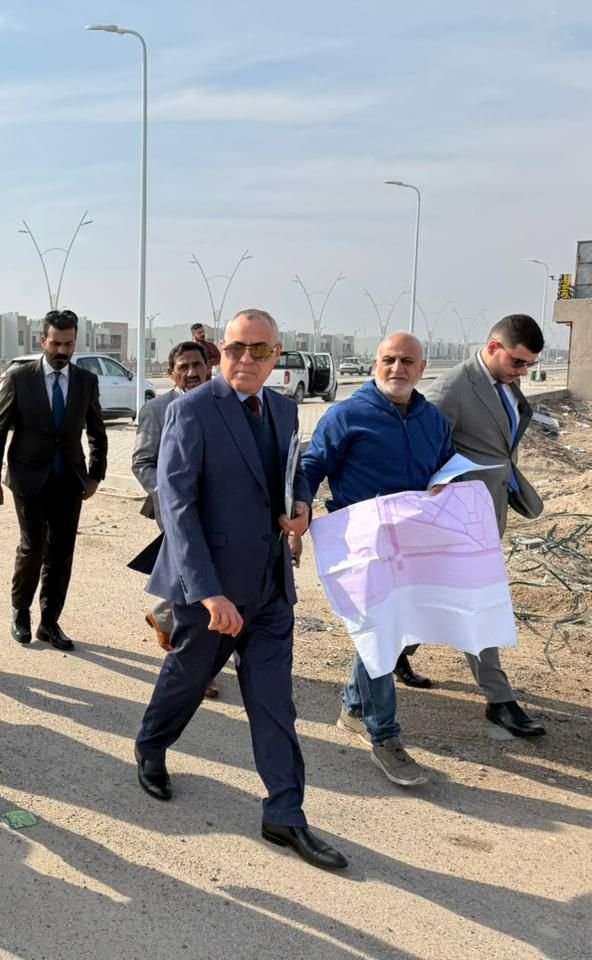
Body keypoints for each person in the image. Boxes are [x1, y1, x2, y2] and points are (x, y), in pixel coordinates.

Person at [135, 308, 347, 871]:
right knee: (188, 678)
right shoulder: (190, 410)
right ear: (219, 354)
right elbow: (177, 506)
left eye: (259, 350)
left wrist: (300, 502)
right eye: (235, 349)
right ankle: (151, 744)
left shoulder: (284, 408)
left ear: (276, 356)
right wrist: (208, 593)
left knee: (275, 704)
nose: (245, 360)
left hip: (271, 587)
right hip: (213, 591)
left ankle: (285, 813)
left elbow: (296, 471)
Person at [300, 333, 453, 787]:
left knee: (395, 630)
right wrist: (298, 511)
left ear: (422, 368)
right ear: (375, 364)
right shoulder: (347, 415)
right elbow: (311, 466)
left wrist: (446, 482)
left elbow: (447, 464)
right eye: (388, 359)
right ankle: (384, 735)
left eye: (407, 361)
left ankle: (353, 707)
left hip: (412, 544)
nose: (397, 368)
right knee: (381, 632)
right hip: (361, 545)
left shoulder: (433, 420)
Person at [422, 314, 546, 738]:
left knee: (432, 595)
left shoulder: (505, 383)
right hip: (460, 518)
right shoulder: (452, 388)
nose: (523, 371)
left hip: (492, 508)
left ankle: (399, 652)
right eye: (518, 362)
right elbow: (425, 452)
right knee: (478, 602)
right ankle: (499, 699)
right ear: (493, 347)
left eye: (528, 365)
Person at [0, 309, 107, 651]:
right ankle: (20, 612)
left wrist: (95, 475)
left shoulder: (86, 381)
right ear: (43, 341)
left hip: (69, 480)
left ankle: (49, 622)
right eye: (56, 343)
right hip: (28, 478)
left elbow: (97, 431)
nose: (62, 351)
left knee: (62, 552)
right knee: (33, 546)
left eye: (68, 344)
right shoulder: (19, 379)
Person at [131, 341, 222, 698]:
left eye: (197, 365)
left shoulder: (223, 404)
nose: (192, 372)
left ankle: (164, 617)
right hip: (175, 512)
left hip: (218, 511)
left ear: (208, 367)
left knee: (207, 582)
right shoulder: (157, 410)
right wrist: (169, 496)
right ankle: (196, 668)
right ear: (171, 373)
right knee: (194, 585)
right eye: (183, 367)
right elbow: (142, 462)